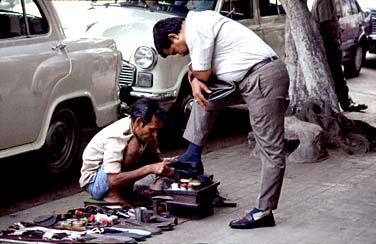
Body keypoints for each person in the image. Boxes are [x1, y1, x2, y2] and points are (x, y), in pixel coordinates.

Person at [153, 10, 289, 229]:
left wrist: (195, 79)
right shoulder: (198, 25)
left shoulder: (196, 28)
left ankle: (264, 211)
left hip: (263, 80)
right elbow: (198, 71)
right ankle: (192, 156)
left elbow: (203, 74)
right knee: (203, 98)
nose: (180, 54)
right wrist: (194, 79)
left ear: (173, 37)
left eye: (176, 51)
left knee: (270, 149)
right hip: (246, 79)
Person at [79, 98, 176, 206]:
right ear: (139, 122)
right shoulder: (117, 136)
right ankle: (112, 194)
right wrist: (149, 168)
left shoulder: (141, 131)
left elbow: (155, 159)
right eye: (152, 129)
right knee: (133, 145)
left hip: (110, 177)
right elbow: (113, 179)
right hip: (95, 183)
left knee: (150, 140)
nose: (155, 133)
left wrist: (162, 166)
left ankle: (125, 192)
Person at [311, 0, 367, 112]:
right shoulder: (325, 2)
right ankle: (346, 103)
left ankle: (345, 101)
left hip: (328, 43)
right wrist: (335, 41)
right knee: (337, 75)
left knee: (336, 75)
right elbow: (326, 25)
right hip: (328, 44)